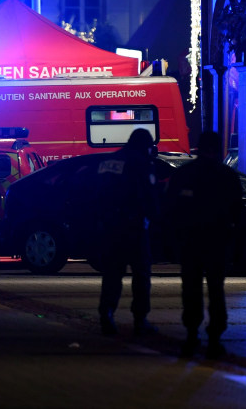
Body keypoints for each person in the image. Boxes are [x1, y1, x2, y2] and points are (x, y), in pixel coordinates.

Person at [167, 131, 242, 359]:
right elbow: (237, 213)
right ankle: (214, 338)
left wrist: (174, 239)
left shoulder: (184, 175)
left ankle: (192, 335)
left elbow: (171, 210)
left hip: (190, 242)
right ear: (218, 149)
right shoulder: (227, 176)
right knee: (216, 289)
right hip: (216, 242)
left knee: (191, 288)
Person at [95, 128, 159, 337]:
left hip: (110, 227)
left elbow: (94, 194)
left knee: (112, 274)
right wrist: (154, 218)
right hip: (134, 227)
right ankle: (140, 320)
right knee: (141, 274)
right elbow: (148, 196)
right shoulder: (141, 163)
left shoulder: (108, 162)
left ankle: (106, 314)